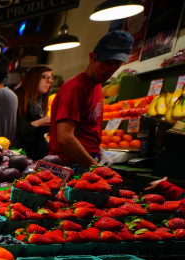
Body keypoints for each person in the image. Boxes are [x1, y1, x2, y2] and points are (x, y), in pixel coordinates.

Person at [48, 31, 134, 169]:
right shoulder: (75, 88)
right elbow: (65, 138)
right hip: (69, 165)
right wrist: (95, 167)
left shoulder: (96, 85)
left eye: (116, 64)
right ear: (92, 57)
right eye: (106, 62)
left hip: (84, 161)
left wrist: (98, 150)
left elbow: (86, 129)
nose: (109, 69)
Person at [13, 65, 53, 161]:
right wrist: (38, 123)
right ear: (33, 78)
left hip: (38, 154)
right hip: (20, 154)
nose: (49, 81)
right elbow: (17, 131)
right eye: (45, 77)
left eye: (51, 78)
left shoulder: (41, 101)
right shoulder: (18, 98)